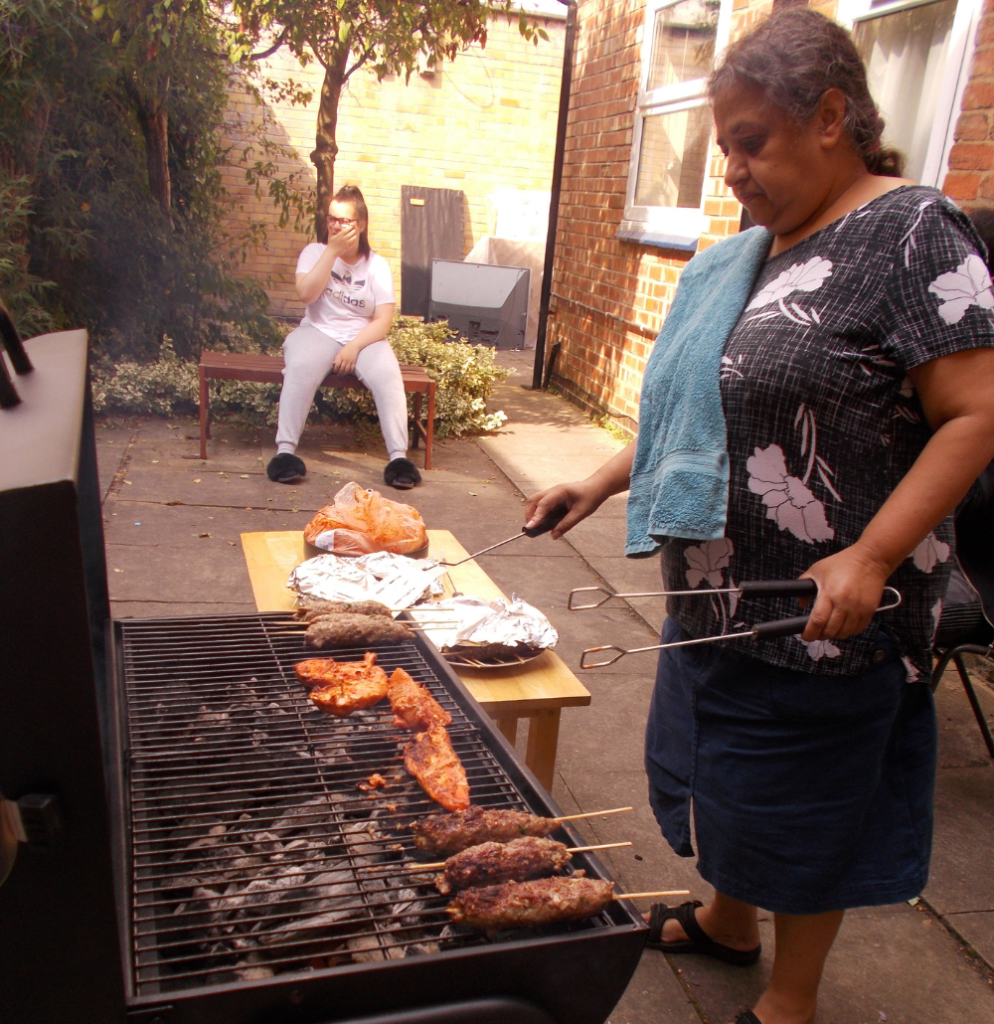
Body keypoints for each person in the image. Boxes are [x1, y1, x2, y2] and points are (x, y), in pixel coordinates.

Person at [526, 10, 994, 1024]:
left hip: (826, 609)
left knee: (800, 798)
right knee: (722, 772)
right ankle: (730, 926)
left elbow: (976, 414)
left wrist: (869, 557)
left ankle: (791, 997)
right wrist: (602, 481)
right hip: (720, 594)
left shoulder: (909, 231)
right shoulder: (757, 249)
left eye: (751, 140)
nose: (730, 166)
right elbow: (704, 408)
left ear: (831, 117)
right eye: (724, 142)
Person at [266, 184, 422, 490]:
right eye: (332, 219)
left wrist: (354, 347)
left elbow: (384, 320)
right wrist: (332, 251)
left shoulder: (376, 265)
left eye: (345, 221)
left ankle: (398, 459)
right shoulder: (314, 252)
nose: (336, 225)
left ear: (361, 224)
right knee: (299, 368)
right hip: (318, 330)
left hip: (363, 337)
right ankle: (285, 453)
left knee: (389, 375)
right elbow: (306, 294)